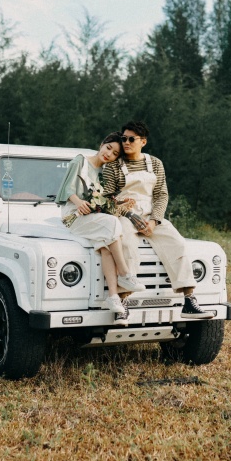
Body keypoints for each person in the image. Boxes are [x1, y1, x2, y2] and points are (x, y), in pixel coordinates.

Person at [103, 121, 214, 319]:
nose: (126, 143)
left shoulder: (155, 163)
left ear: (143, 142)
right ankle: (123, 302)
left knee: (177, 243)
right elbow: (108, 198)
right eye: (123, 138)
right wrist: (129, 215)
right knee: (126, 244)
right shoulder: (113, 166)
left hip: (150, 214)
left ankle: (189, 300)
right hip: (124, 215)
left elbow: (161, 194)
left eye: (131, 139)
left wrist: (154, 220)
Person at [55, 132, 145, 325]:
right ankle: (125, 273)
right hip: (74, 214)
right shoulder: (81, 161)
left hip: (91, 216)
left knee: (105, 246)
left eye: (114, 154)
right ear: (102, 144)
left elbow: (102, 200)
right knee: (113, 224)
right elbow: (66, 189)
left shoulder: (103, 173)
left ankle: (113, 296)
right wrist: (79, 202)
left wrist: (120, 201)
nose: (108, 154)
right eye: (108, 148)